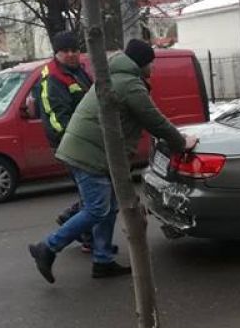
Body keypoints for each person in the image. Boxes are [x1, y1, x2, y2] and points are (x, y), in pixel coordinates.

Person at [27, 39, 199, 283]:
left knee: (109, 206)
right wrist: (181, 143)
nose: (153, 68)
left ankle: (103, 259)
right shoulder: (128, 84)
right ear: (141, 63)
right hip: (89, 153)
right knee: (97, 208)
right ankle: (47, 247)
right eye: (150, 63)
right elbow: (154, 120)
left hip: (91, 151)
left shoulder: (114, 76)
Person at [34, 30, 95, 234]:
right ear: (56, 53)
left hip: (83, 141)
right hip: (71, 144)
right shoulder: (52, 78)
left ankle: (72, 220)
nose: (71, 54)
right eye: (65, 51)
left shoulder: (78, 71)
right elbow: (57, 121)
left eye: (74, 50)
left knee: (94, 193)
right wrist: (81, 141)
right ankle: (83, 235)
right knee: (94, 195)